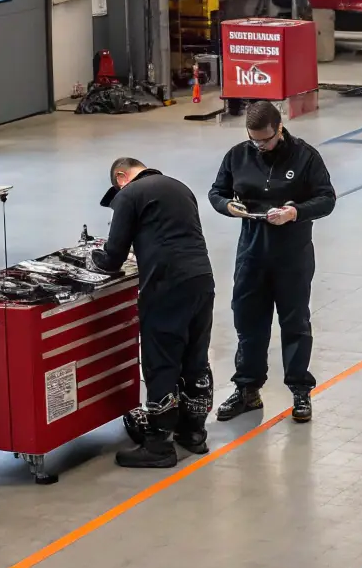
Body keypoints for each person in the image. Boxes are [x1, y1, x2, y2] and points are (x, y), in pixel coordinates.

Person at [210, 102, 336, 424]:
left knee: (294, 324)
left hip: (291, 256)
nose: (259, 146)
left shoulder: (305, 157)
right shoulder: (238, 155)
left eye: (265, 140)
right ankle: (247, 390)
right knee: (249, 323)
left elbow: (326, 199)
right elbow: (216, 192)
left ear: (279, 129)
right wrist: (228, 206)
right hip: (251, 254)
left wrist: (295, 213)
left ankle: (299, 391)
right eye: (254, 140)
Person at [92, 157, 216, 468]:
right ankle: (194, 433)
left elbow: (112, 257)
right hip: (201, 280)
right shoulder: (180, 187)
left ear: (121, 177)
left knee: (161, 361)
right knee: (195, 356)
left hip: (166, 285)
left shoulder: (129, 195)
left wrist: (93, 257)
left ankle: (159, 445)